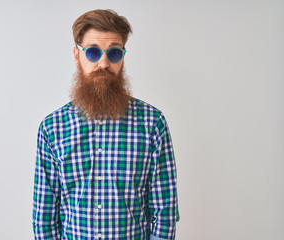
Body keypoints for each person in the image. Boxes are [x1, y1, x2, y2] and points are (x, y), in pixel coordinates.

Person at [32, 9, 180, 240]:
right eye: (92, 52)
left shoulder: (153, 124)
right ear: (76, 54)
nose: (103, 63)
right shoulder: (52, 128)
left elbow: (164, 213)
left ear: (123, 56)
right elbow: (45, 217)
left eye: (114, 53)